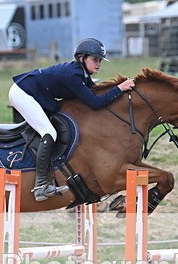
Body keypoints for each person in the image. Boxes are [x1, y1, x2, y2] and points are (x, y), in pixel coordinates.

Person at [9, 38, 135, 201]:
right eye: (95, 60)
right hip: (22, 93)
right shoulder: (73, 75)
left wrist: (118, 89)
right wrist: (120, 88)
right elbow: (95, 103)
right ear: (81, 57)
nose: (98, 64)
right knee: (49, 132)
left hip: (34, 92)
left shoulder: (81, 73)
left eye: (100, 61)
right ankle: (40, 185)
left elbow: (93, 92)